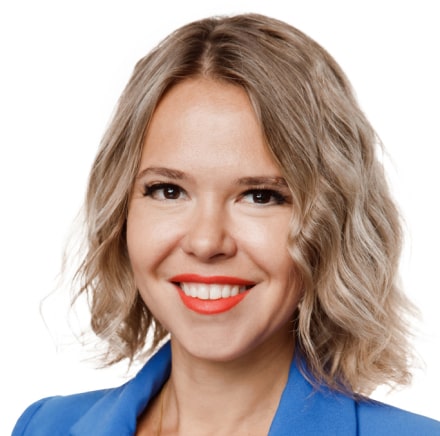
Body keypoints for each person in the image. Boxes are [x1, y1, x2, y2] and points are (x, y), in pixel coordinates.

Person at [12, 13, 440, 436]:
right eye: (168, 190)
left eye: (260, 196)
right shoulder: (44, 427)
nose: (205, 241)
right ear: (121, 210)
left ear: (332, 222)